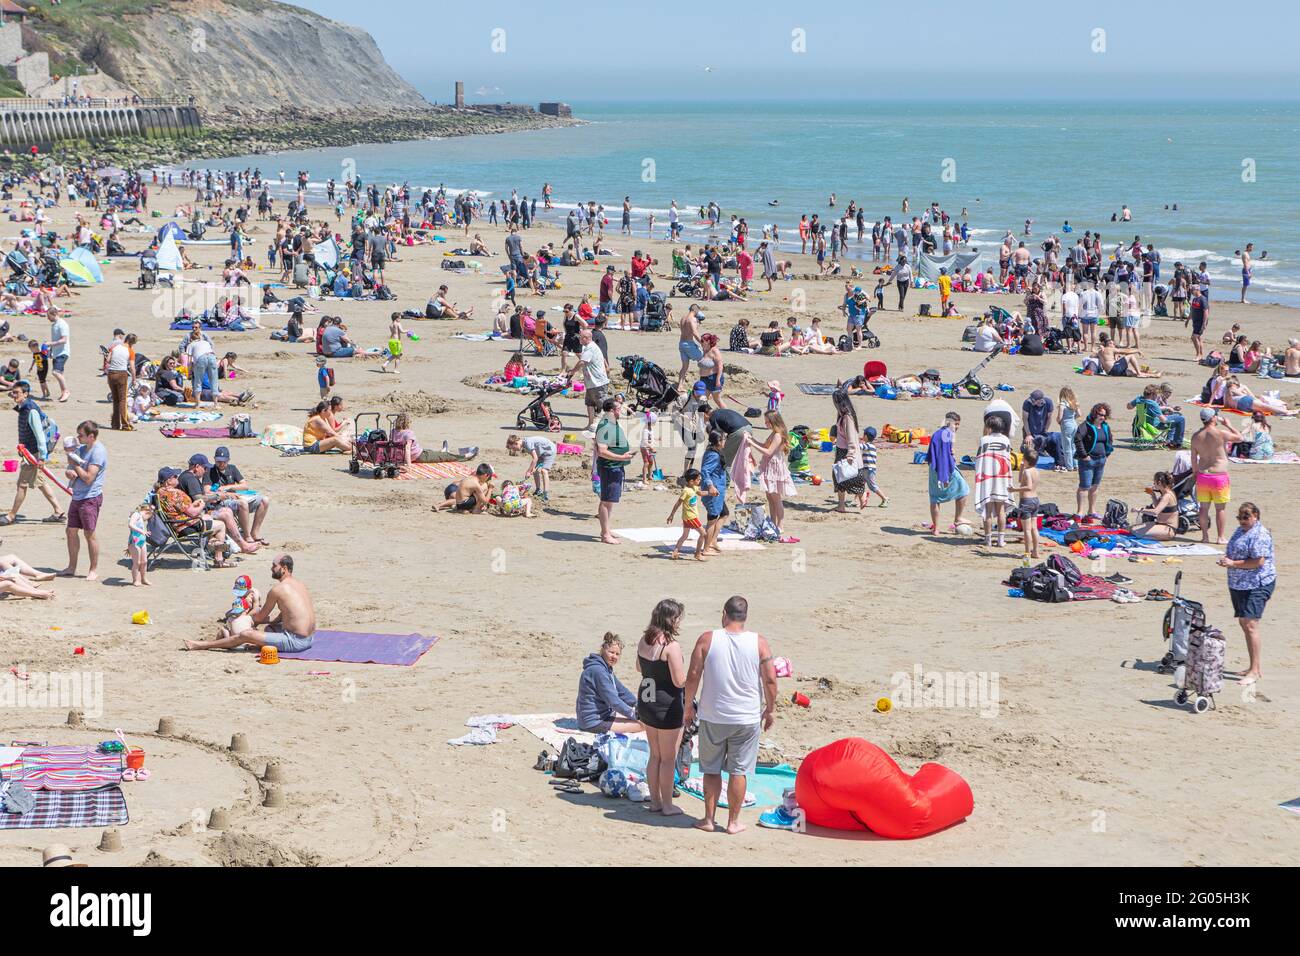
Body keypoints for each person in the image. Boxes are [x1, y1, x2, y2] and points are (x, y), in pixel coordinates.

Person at [682, 595, 777, 835]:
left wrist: (687, 706)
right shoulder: (759, 643)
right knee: (739, 770)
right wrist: (771, 708)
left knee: (711, 769)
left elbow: (693, 675)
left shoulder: (707, 639)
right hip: (746, 717)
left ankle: (708, 819)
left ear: (724, 613)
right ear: (745, 617)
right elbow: (770, 679)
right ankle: (733, 822)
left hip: (714, 715)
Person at [185, 554, 316, 652]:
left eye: (274, 566)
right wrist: (270, 622)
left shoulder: (278, 590)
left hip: (296, 641)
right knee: (269, 629)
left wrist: (245, 617)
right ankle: (253, 643)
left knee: (246, 634)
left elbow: (260, 617)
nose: (271, 568)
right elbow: (288, 613)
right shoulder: (300, 584)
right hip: (310, 638)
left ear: (284, 568)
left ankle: (203, 645)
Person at [635, 600, 687, 815]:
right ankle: (667, 805)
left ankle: (655, 801)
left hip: (647, 701)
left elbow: (639, 667)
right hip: (667, 706)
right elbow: (678, 681)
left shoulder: (643, 641)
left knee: (654, 755)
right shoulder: (670, 646)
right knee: (668, 758)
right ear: (671, 620)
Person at [1217, 502, 1273, 685]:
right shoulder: (1240, 531)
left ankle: (1255, 671)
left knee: (1250, 624)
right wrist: (1226, 560)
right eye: (1239, 517)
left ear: (1255, 515)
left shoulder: (1260, 534)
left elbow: (1258, 562)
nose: (1242, 520)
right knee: (1244, 622)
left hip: (1257, 583)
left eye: (1246, 516)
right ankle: (1252, 667)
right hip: (1239, 584)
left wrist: (1232, 563)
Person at [3, 381, 64, 526]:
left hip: (34, 453)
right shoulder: (24, 407)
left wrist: (42, 457)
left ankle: (11, 515)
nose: (13, 395)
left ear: (26, 394)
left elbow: (40, 436)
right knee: (41, 482)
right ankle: (58, 511)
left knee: (22, 484)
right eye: (13, 392)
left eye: (17, 392)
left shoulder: (31, 411)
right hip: (30, 452)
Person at [154, 466, 231, 568]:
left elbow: (179, 509)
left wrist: (194, 504)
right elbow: (193, 513)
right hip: (186, 527)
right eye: (175, 476)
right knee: (221, 525)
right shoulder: (175, 493)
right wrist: (202, 504)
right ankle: (218, 558)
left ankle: (213, 544)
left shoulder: (159, 492)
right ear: (168, 481)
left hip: (174, 525)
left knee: (208, 519)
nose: (178, 478)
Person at [58, 421, 107, 581]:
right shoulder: (81, 449)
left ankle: (93, 569)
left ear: (91, 436)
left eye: (81, 435)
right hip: (77, 496)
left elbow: (88, 478)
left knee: (89, 533)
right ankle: (72, 566)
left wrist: (74, 465)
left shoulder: (98, 452)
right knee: (70, 531)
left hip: (90, 497)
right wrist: (69, 472)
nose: (78, 437)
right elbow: (71, 469)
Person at [1190, 408, 1242, 545]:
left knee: (1203, 508)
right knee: (1220, 508)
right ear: (1213, 418)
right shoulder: (1220, 433)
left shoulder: (1196, 436)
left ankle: (1205, 536)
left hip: (1203, 475)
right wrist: (1228, 424)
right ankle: (1220, 537)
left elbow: (1193, 460)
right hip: (1219, 475)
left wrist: (1195, 473)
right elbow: (1240, 437)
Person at [575, 632, 642, 734]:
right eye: (611, 652)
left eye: (617, 654)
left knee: (642, 722)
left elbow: (621, 691)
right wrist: (634, 715)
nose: (614, 657)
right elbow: (613, 701)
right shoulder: (598, 671)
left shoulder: (605, 668)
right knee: (643, 726)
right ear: (603, 650)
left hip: (602, 716)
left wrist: (638, 704)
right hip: (592, 722)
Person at [746, 411, 796, 534]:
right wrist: (752, 440)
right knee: (770, 497)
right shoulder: (774, 433)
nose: (765, 424)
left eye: (767, 421)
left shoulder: (778, 435)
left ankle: (780, 525)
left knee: (775, 497)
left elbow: (768, 452)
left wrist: (752, 443)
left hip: (775, 467)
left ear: (774, 422)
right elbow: (764, 445)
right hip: (769, 466)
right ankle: (773, 522)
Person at [209, 446, 271, 545]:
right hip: (222, 502)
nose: (221, 464)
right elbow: (208, 492)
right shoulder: (210, 471)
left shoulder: (232, 468)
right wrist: (226, 493)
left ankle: (255, 532)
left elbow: (245, 485)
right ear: (214, 460)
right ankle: (247, 536)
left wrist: (228, 487)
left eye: (224, 461)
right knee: (243, 503)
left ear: (228, 460)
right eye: (218, 461)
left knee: (265, 500)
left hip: (235, 496)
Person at [594, 397, 634, 544]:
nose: (621, 411)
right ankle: (605, 534)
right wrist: (621, 457)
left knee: (610, 500)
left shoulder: (612, 423)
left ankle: (606, 530)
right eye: (618, 409)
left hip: (615, 466)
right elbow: (602, 451)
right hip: (609, 467)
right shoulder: (605, 425)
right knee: (606, 500)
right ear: (611, 410)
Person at [974, 415, 1013, 547]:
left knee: (987, 510)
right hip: (1002, 478)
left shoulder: (984, 440)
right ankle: (1001, 540)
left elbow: (979, 458)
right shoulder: (1006, 440)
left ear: (989, 427)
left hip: (988, 479)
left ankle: (988, 539)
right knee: (1001, 510)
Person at [926, 411, 968, 532]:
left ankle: (936, 529)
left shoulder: (938, 433)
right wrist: (944, 476)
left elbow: (934, 453)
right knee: (963, 489)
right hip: (944, 468)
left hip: (933, 467)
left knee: (935, 498)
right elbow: (943, 457)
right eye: (956, 424)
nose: (957, 427)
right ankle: (958, 518)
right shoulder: (946, 434)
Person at [1074, 402, 1114, 520]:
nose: (1102, 417)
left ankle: (1092, 510)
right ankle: (1080, 512)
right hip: (1087, 461)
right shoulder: (1086, 425)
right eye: (1100, 415)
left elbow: (1109, 440)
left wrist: (1107, 454)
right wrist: (1084, 455)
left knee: (1095, 486)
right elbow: (1077, 439)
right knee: (1084, 486)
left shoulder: (1105, 427)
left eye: (1104, 415)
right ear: (1094, 414)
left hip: (1101, 460)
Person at [831, 388, 867, 512]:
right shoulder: (843, 415)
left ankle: (862, 497)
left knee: (851, 476)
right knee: (839, 477)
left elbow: (851, 437)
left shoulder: (848, 418)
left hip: (846, 452)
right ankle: (841, 505)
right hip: (841, 450)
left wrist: (850, 454)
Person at [569, 327, 609, 431]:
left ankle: (609, 425)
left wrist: (573, 371)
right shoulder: (587, 347)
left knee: (603, 404)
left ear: (586, 338)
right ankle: (591, 424)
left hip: (598, 382)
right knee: (590, 403)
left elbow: (583, 362)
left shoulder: (591, 347)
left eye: (581, 338)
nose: (579, 340)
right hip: (591, 382)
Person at [699, 429, 729, 557]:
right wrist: (711, 486)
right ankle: (706, 548)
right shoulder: (713, 455)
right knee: (712, 519)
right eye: (723, 439)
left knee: (724, 513)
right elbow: (705, 471)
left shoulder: (714, 451)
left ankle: (712, 541)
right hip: (714, 491)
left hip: (719, 489)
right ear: (718, 441)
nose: (725, 441)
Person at [667, 469, 707, 560]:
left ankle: (675, 551)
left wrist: (710, 493)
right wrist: (671, 515)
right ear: (691, 481)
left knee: (685, 536)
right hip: (690, 517)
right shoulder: (686, 491)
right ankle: (697, 553)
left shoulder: (694, 487)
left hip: (688, 517)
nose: (700, 480)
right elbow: (678, 503)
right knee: (703, 534)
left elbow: (700, 493)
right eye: (698, 479)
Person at [1010, 446, 1041, 559]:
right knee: (1034, 528)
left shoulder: (1028, 472)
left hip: (1026, 501)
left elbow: (1027, 487)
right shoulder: (1035, 471)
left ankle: (1027, 553)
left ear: (1027, 460)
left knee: (1027, 529)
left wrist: (1014, 490)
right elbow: (1020, 481)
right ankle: (1036, 552)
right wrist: (1022, 467)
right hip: (1035, 500)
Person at [1130, 471, 1179, 541]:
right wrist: (1153, 495)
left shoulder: (1167, 496)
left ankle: (1154, 538)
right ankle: (1152, 536)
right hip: (1161, 524)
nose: (1153, 485)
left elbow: (1155, 512)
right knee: (1133, 529)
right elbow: (1158, 508)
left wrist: (1139, 509)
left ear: (1159, 483)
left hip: (1168, 528)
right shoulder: (1165, 493)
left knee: (1137, 532)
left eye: (1154, 483)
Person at [506, 433, 554, 502]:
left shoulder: (527, 443)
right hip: (541, 453)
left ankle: (545, 494)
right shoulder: (525, 444)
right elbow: (535, 458)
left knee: (544, 471)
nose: (514, 450)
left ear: (516, 443)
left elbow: (535, 459)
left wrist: (528, 471)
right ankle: (538, 490)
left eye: (513, 448)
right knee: (535, 471)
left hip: (549, 451)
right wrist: (533, 468)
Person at [46, 308, 71, 403]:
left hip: (63, 352)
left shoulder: (62, 324)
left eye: (49, 316)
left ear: (54, 314)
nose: (48, 318)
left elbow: (64, 340)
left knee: (55, 372)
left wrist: (50, 344)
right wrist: (50, 351)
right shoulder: (54, 325)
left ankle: (66, 391)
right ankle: (63, 392)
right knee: (59, 373)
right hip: (56, 353)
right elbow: (55, 339)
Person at [677, 303, 705, 388]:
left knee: (684, 367)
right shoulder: (692, 319)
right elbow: (694, 332)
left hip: (682, 343)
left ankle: (680, 386)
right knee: (704, 361)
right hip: (689, 344)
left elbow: (686, 330)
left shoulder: (683, 318)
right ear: (695, 310)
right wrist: (702, 343)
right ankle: (704, 384)